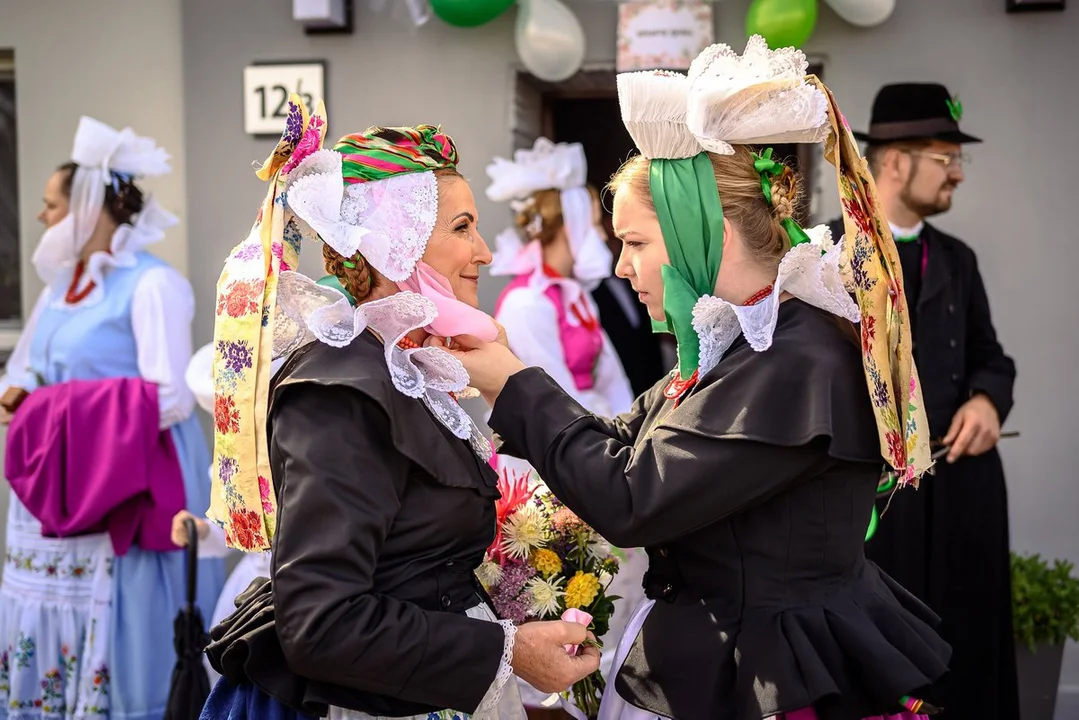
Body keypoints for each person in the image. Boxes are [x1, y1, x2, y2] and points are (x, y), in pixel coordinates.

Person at [434, 37, 952, 720]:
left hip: (772, 680)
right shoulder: (742, 340)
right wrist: (507, 373)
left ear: (704, 234)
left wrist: (512, 381)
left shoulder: (795, 359)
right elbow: (620, 438)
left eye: (637, 243)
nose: (622, 267)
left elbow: (631, 496)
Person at [199, 100, 599, 720]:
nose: (486, 252)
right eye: (462, 228)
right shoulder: (341, 391)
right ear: (397, 246)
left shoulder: (407, 366)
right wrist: (508, 649)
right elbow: (323, 622)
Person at [0, 116, 224, 719]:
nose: (42, 216)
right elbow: (24, 372)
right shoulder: (59, 289)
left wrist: (51, 409)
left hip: (119, 478)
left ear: (86, 208)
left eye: (51, 204)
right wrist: (20, 395)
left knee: (123, 625)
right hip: (59, 481)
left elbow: (170, 395)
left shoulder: (153, 285)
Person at [827, 82, 1019, 720]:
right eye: (945, 157)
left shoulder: (958, 260)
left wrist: (989, 400)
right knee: (879, 663)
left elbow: (991, 357)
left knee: (969, 653)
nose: (958, 174)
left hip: (963, 494)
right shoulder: (824, 252)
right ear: (894, 160)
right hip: (876, 501)